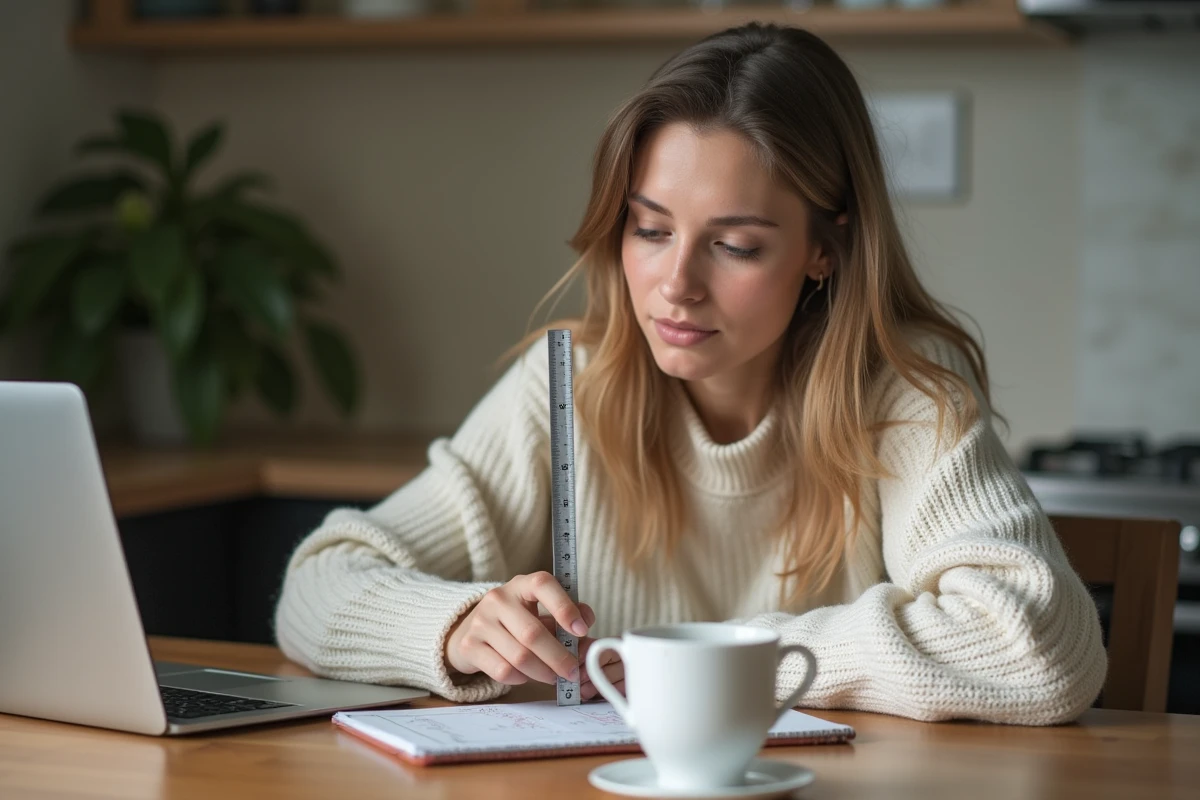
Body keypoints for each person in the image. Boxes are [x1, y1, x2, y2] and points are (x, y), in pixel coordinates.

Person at [275, 22, 1106, 725]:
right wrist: (452, 627)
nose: (676, 284)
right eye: (649, 230)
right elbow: (315, 586)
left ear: (825, 247)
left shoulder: (910, 406)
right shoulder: (567, 386)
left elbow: (1038, 644)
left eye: (735, 245)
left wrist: (716, 665)